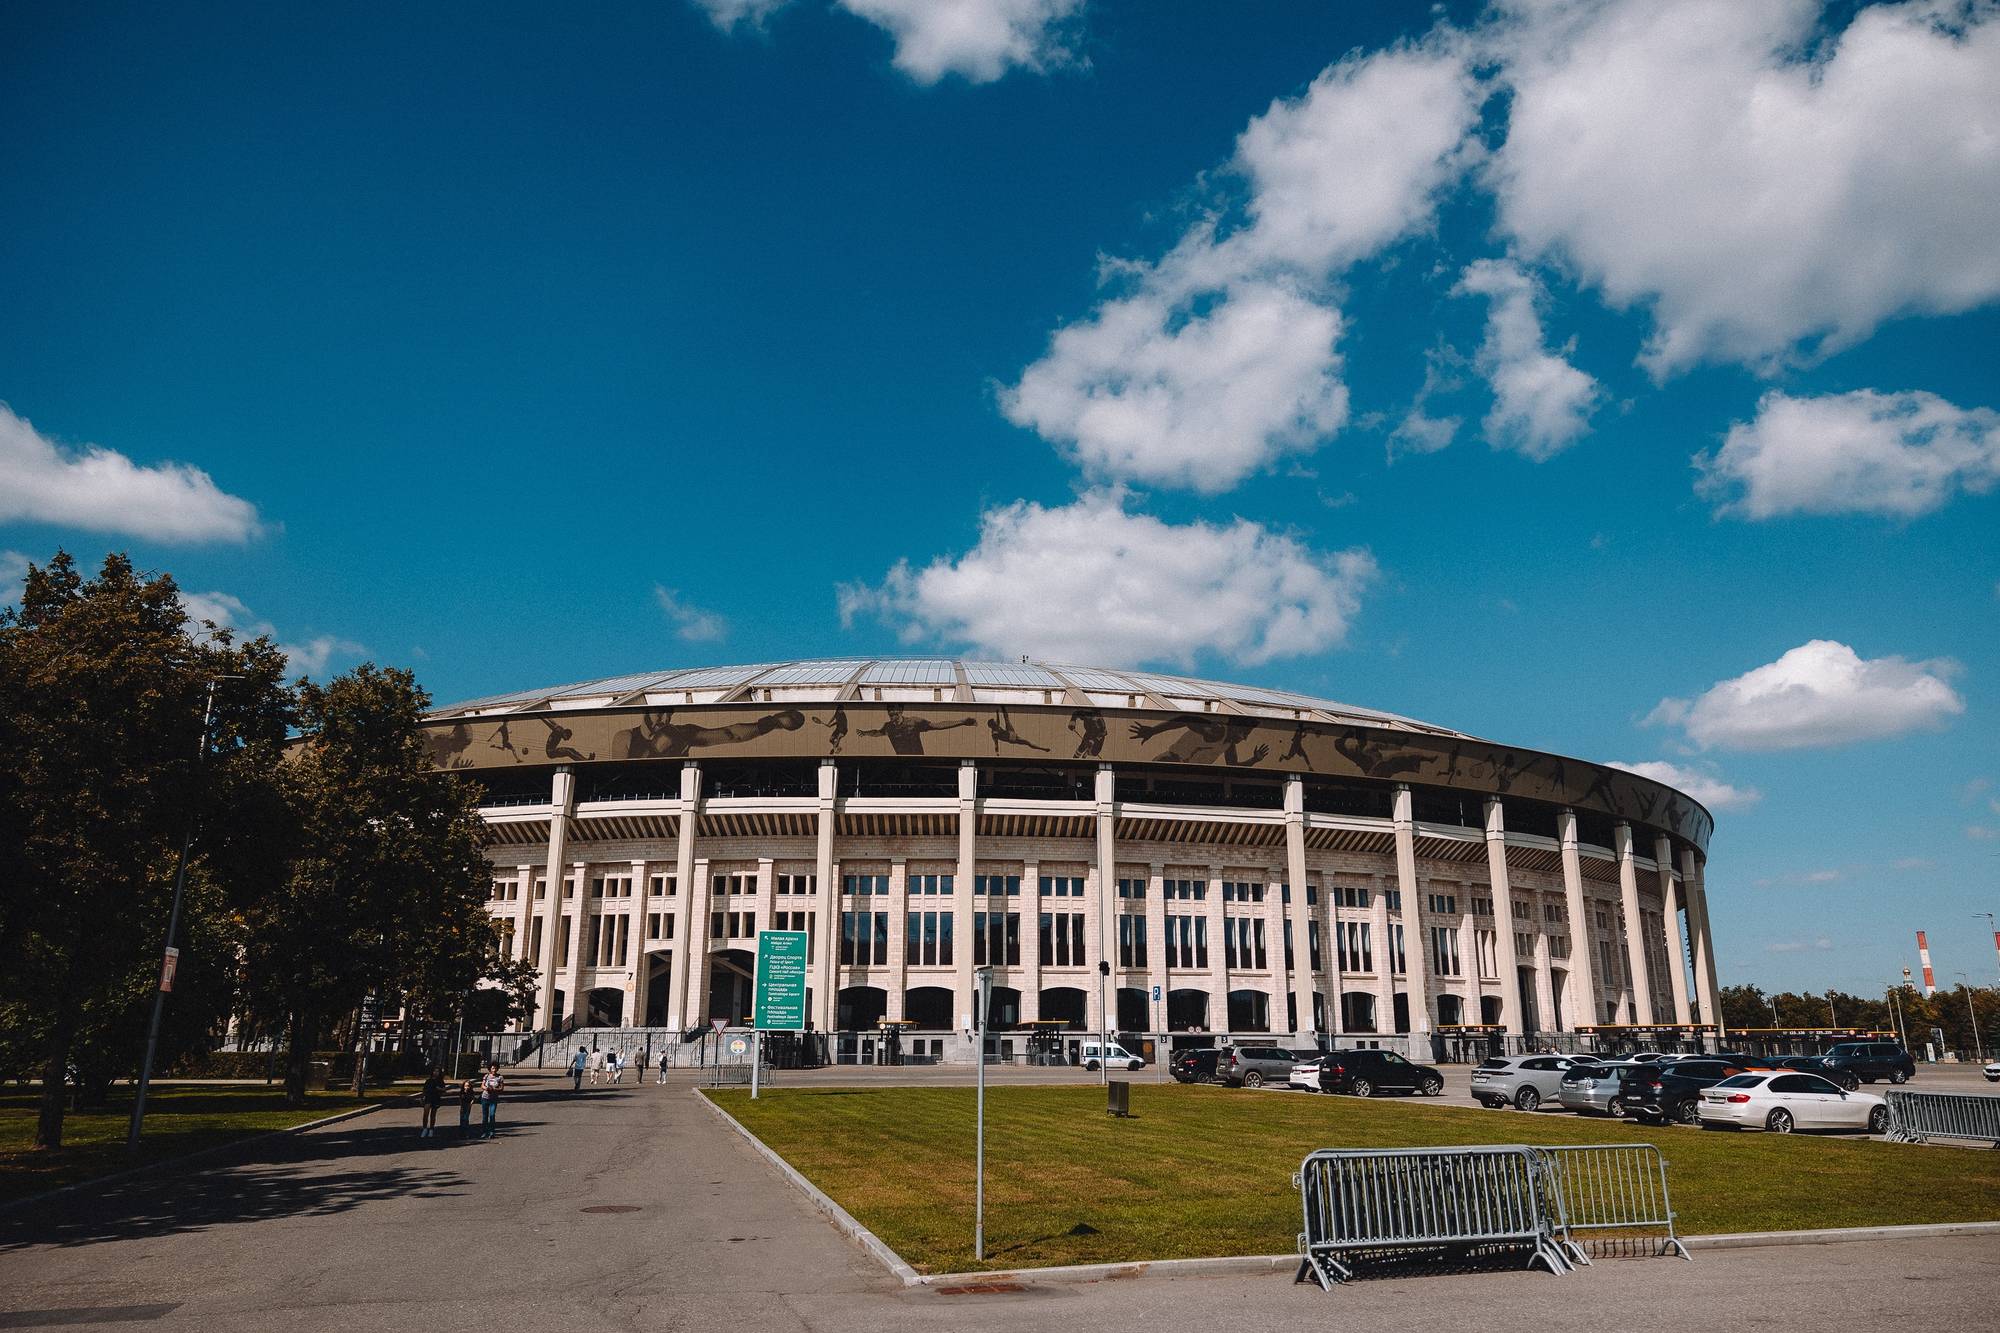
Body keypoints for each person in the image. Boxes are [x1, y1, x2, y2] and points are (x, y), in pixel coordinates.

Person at [479, 1062, 504, 1138]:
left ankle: (492, 1132)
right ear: (490, 1068)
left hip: (494, 1099)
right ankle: (484, 1132)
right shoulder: (486, 1076)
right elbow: (482, 1085)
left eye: (495, 1068)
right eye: (493, 1068)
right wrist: (486, 1088)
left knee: (492, 1115)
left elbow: (502, 1088)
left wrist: (495, 1089)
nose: (494, 1070)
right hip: (485, 1098)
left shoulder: (500, 1077)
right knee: (484, 1116)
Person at [419, 1068, 444, 1138]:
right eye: (434, 1071)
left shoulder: (440, 1081)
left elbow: (444, 1089)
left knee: (433, 1115)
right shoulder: (428, 1080)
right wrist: (422, 1097)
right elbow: (424, 1090)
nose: (436, 1073)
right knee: (425, 1113)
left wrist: (439, 1089)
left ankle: (431, 1129)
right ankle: (424, 1128)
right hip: (428, 1098)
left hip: (435, 1098)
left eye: (437, 1071)